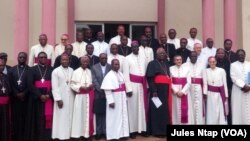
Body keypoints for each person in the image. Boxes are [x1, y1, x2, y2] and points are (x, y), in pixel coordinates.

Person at [26, 52, 54, 140]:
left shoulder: (52, 69)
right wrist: (40, 95)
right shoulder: (32, 69)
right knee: (37, 119)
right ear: (38, 59)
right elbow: (30, 84)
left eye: (45, 57)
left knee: (47, 119)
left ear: (47, 58)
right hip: (36, 99)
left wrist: (48, 95)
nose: (43, 59)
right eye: (41, 57)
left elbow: (56, 85)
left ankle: (47, 137)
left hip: (48, 98)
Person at [123, 41, 147, 139]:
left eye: (136, 46)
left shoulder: (144, 58)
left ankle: (142, 129)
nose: (135, 48)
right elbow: (125, 75)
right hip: (132, 85)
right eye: (133, 46)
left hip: (142, 85)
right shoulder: (127, 58)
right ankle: (132, 130)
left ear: (139, 47)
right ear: (131, 48)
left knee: (142, 108)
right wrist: (128, 88)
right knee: (132, 108)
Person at [101, 59, 129, 140]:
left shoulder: (120, 73)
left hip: (122, 98)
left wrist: (125, 97)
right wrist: (110, 101)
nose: (117, 66)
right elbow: (107, 90)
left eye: (118, 64)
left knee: (122, 116)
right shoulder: (109, 75)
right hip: (114, 99)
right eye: (115, 64)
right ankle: (113, 135)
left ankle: (123, 134)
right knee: (113, 118)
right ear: (112, 65)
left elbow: (123, 86)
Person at [146, 48, 171, 138]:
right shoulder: (152, 63)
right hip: (157, 91)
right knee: (157, 110)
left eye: (163, 53)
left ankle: (164, 130)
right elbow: (150, 78)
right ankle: (157, 131)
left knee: (164, 110)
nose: (162, 54)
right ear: (156, 54)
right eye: (160, 53)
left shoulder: (166, 64)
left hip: (165, 90)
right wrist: (154, 90)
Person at [51, 53, 75, 140]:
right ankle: (60, 136)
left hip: (71, 97)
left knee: (70, 116)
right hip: (61, 98)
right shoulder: (56, 71)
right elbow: (55, 86)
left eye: (66, 60)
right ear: (60, 61)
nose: (65, 61)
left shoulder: (72, 70)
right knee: (61, 117)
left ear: (69, 61)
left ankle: (69, 135)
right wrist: (58, 99)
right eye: (63, 60)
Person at [70, 56, 94, 140]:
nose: (85, 63)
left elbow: (93, 83)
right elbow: (72, 84)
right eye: (83, 61)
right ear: (80, 62)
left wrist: (91, 85)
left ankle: (87, 134)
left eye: (86, 62)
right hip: (80, 96)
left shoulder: (90, 72)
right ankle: (78, 134)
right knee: (79, 115)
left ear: (88, 63)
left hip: (89, 96)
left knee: (87, 115)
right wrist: (81, 87)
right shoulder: (76, 72)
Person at [9, 52, 29, 141]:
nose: (22, 58)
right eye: (20, 57)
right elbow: (10, 83)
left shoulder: (30, 69)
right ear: (17, 58)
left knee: (26, 118)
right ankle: (16, 137)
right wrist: (16, 93)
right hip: (15, 99)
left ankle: (25, 137)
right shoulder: (12, 70)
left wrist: (24, 93)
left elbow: (31, 84)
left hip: (26, 99)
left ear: (26, 59)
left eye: (23, 57)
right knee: (16, 118)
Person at [91, 53, 111, 140]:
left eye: (105, 58)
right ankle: (99, 132)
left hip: (108, 93)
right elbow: (94, 80)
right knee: (99, 113)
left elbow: (111, 79)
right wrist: (100, 90)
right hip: (98, 94)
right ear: (99, 59)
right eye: (102, 58)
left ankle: (106, 132)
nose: (104, 60)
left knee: (107, 113)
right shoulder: (94, 67)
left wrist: (106, 91)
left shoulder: (110, 67)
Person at [203, 56, 228, 124]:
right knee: (211, 110)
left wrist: (226, 95)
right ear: (208, 63)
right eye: (210, 62)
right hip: (210, 93)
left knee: (220, 110)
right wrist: (205, 93)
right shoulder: (205, 71)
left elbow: (225, 83)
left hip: (220, 94)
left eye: (213, 62)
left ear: (216, 62)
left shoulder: (221, 70)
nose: (212, 63)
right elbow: (205, 83)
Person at [170, 55, 194, 125]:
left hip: (185, 92)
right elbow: (170, 82)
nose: (179, 61)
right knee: (176, 110)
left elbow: (189, 82)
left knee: (185, 110)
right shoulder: (170, 69)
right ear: (174, 61)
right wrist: (176, 91)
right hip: (175, 93)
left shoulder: (187, 69)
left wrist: (183, 91)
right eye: (177, 60)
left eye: (180, 60)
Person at [185, 51, 205, 124]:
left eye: (195, 56)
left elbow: (204, 79)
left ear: (197, 57)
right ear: (189, 57)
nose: (193, 58)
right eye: (192, 56)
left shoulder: (201, 65)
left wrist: (204, 91)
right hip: (189, 89)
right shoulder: (185, 65)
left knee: (199, 106)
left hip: (199, 89)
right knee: (190, 106)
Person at [230, 49, 250, 124]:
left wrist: (249, 86)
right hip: (238, 90)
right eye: (239, 55)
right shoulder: (233, 65)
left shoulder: (249, 64)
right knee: (238, 108)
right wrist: (243, 85)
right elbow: (233, 77)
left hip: (248, 90)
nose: (241, 56)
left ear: (245, 55)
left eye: (242, 54)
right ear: (236, 56)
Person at [215, 48, 232, 124]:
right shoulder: (212, 62)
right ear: (216, 54)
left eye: (222, 53)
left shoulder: (228, 63)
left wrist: (228, 88)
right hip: (215, 89)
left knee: (226, 106)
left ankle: (226, 121)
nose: (221, 55)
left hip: (226, 88)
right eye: (219, 53)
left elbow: (229, 76)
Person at [0, 59, 11, 141]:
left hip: (6, 105)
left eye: (3, 66)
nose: (1, 68)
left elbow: (9, 89)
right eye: (0, 66)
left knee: (5, 122)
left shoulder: (7, 77)